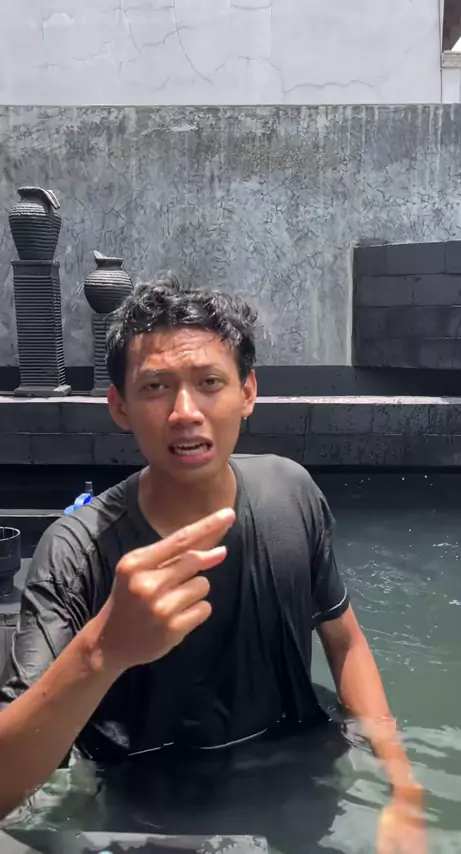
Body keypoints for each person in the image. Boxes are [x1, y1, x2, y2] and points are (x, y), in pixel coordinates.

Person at [0, 278, 426, 852]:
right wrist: (101, 651)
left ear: (247, 392)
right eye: (156, 387)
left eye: (209, 383)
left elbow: (345, 642)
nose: (185, 413)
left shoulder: (291, 494)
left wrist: (402, 790)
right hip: (148, 814)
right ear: (119, 406)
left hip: (299, 785)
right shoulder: (76, 552)